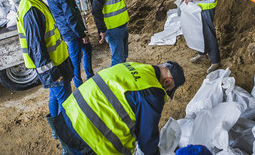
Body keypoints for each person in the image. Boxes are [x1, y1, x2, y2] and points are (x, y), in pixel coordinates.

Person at [52, 61, 186, 155]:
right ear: (167, 81)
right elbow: (147, 138)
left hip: (66, 116)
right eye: (168, 89)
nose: (165, 91)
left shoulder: (134, 66)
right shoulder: (153, 92)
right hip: (87, 138)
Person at [16, 0, 73, 152]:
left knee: (55, 98)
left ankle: (57, 131)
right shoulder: (31, 9)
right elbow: (37, 48)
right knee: (67, 107)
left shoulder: (34, 3)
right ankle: (69, 145)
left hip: (57, 64)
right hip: (53, 68)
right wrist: (52, 74)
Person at [46, 0, 94, 88]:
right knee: (77, 58)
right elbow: (70, 17)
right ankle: (81, 82)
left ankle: (87, 78)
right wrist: (82, 34)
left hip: (64, 29)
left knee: (82, 52)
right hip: (72, 31)